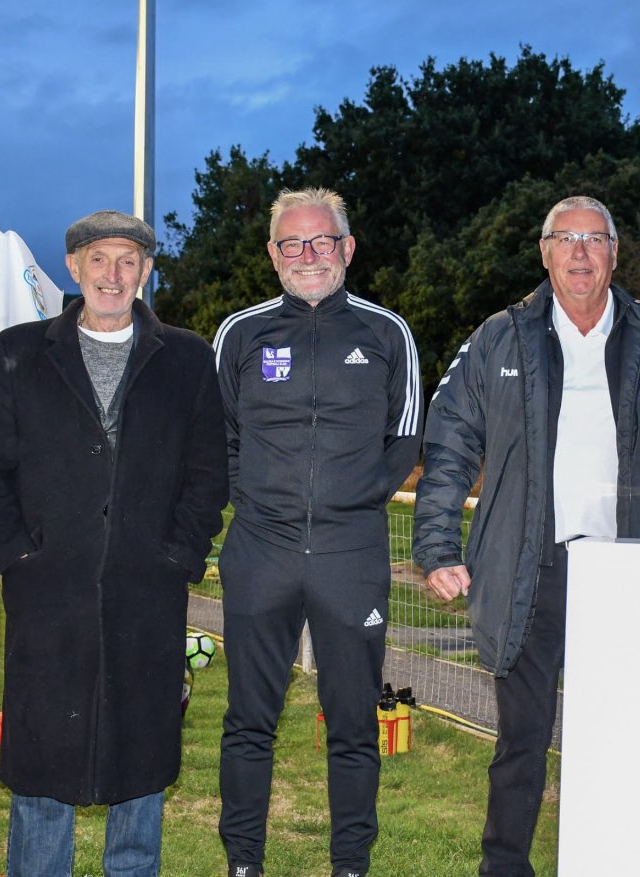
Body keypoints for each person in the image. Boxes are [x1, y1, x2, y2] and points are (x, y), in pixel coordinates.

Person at [412, 195, 640, 876]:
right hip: (530, 569)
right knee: (522, 739)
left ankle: (622, 860)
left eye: (594, 238)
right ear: (543, 252)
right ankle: (504, 865)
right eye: (565, 238)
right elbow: (449, 443)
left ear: (614, 253)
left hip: (631, 570)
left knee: (630, 733)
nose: (579, 252)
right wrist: (437, 546)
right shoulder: (499, 336)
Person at [0, 210, 230, 877]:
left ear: (146, 270)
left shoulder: (187, 358)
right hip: (45, 592)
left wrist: (179, 554)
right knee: (43, 758)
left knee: (140, 757)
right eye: (99, 259)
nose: (114, 274)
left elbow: (207, 470)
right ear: (74, 266)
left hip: (148, 591)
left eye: (128, 261)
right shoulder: (17, 353)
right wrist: (15, 554)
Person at [213, 188, 422, 877]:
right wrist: (257, 502)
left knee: (355, 725)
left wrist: (352, 504)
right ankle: (243, 863)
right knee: (249, 721)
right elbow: (220, 435)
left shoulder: (387, 332)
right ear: (273, 254)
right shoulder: (239, 333)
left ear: (347, 248)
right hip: (260, 552)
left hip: (350, 556)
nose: (309, 256)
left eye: (322, 241)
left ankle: (350, 864)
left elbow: (405, 436)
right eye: (293, 244)